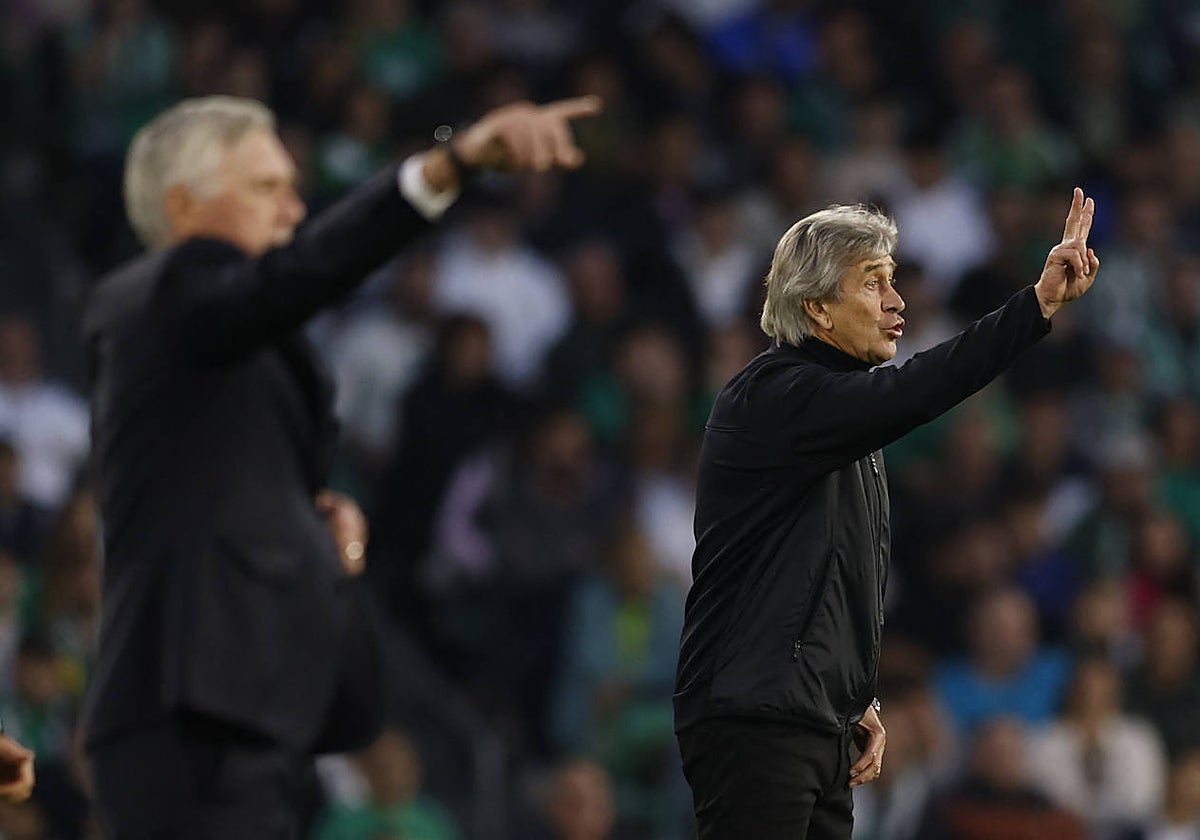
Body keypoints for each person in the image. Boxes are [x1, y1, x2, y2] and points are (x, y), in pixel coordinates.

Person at [81, 92, 601, 839]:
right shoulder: (151, 300)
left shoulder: (237, 363)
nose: (293, 208)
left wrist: (333, 554)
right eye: (266, 187)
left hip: (260, 719)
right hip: (186, 712)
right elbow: (295, 277)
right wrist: (450, 165)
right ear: (183, 205)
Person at [674, 187, 1100, 839]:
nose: (898, 303)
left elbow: (836, 579)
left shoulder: (842, 420)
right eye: (874, 284)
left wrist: (855, 694)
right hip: (757, 716)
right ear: (816, 306)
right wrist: (1035, 306)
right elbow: (917, 389)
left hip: (815, 720)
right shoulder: (775, 395)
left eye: (894, 281)